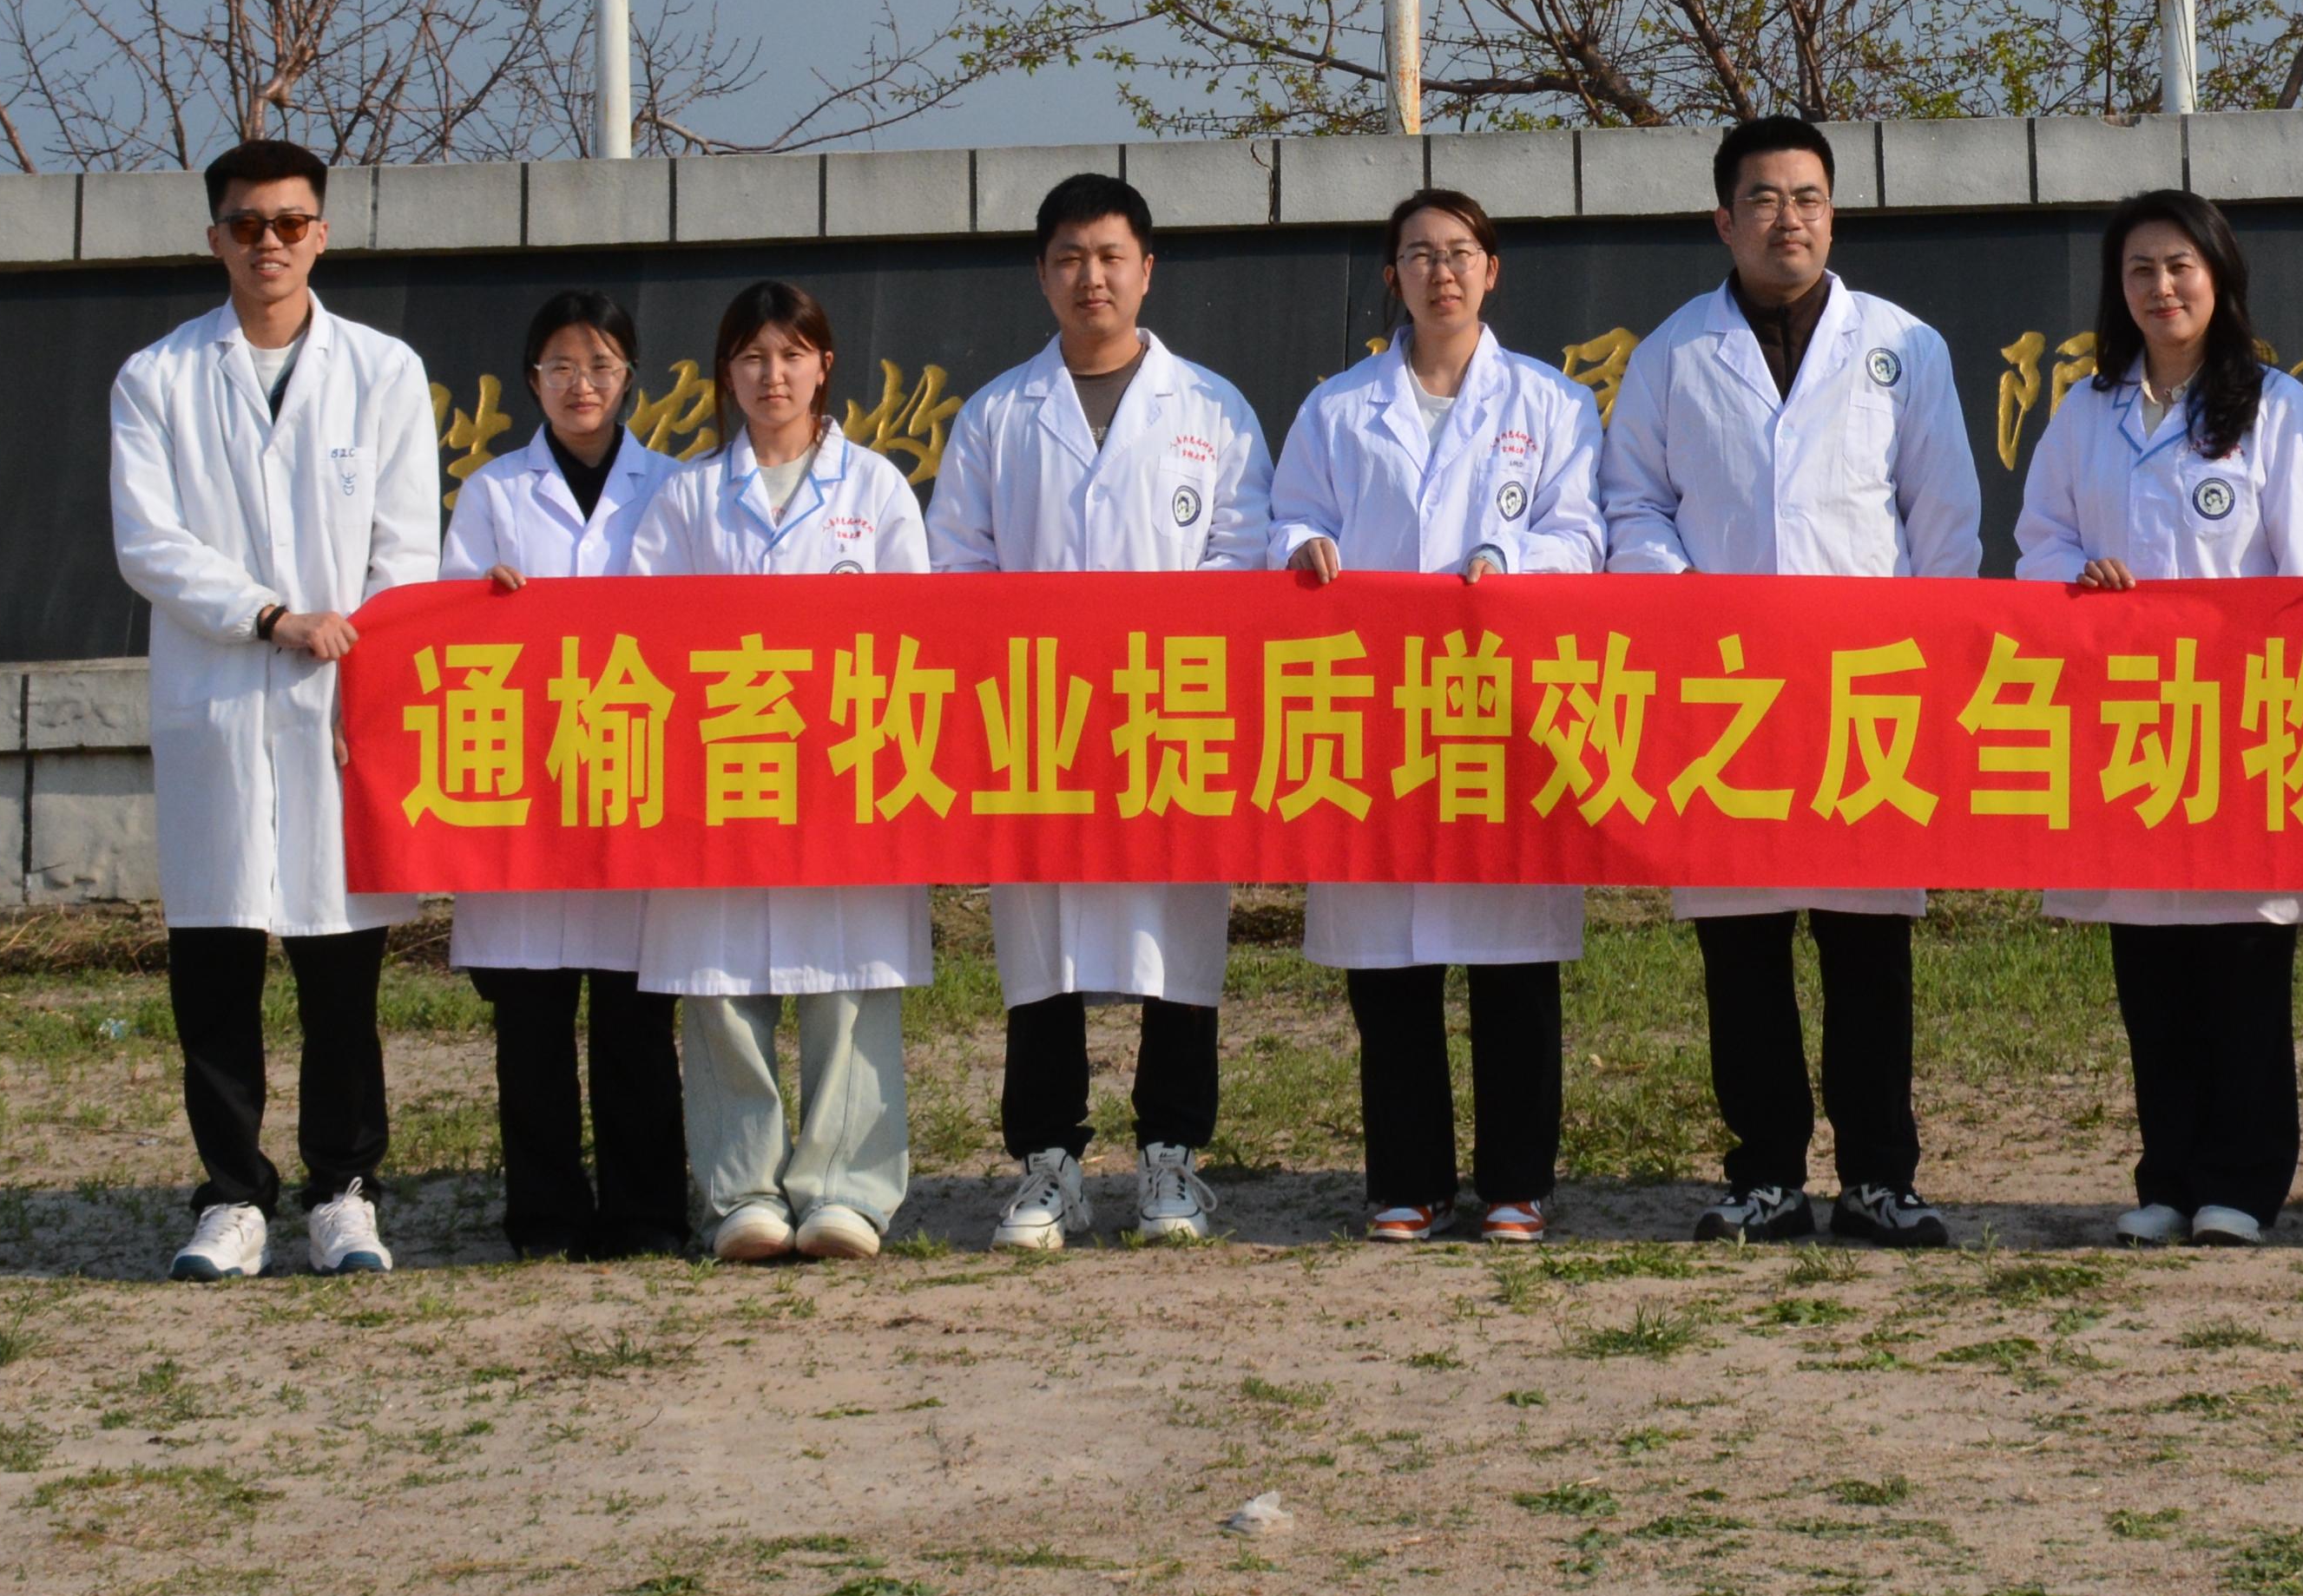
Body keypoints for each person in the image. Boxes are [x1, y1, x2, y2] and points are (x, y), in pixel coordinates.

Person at [1597, 115, 1981, 1249]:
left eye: (1807, 198)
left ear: (1834, 214)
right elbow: (1634, 504)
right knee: (1744, 946)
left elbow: (1944, 517)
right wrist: (1687, 604)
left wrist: (1928, 657)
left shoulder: (1903, 345)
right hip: (1728, 695)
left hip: (1869, 687)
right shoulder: (1673, 353)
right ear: (1725, 219)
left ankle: (1879, 1179)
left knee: (1869, 948)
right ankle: (1765, 1173)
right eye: (1763, 200)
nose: (1788, 219)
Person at [105, 136, 439, 1283]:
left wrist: (364, 664)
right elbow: (149, 543)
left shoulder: (381, 371)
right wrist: (268, 616)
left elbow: (406, 547)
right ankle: (232, 1194)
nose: (270, 244)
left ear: (322, 235)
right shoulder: (157, 378)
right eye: (247, 225)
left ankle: (345, 1190)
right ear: (216, 238)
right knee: (216, 963)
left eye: (291, 223)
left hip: (341, 706)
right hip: (218, 700)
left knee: (342, 966)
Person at [930, 174, 1274, 1251]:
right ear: (1042, 274)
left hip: (1173, 711)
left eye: (1112, 255)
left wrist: (1157, 652)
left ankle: (1172, 1155)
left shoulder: (1211, 408)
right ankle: (1050, 1161)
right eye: (1071, 258)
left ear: (1147, 270)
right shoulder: (997, 415)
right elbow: (957, 566)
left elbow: (1243, 553)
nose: (1093, 277)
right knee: (1041, 940)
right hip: (1036, 720)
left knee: (1179, 935)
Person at [1274, 188, 1611, 1244]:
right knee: (1391, 967)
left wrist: (1511, 558)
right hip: (1376, 710)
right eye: (1419, 255)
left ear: (1492, 269)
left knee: (1514, 964)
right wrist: (1301, 547)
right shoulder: (1339, 407)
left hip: (1502, 710)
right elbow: (1289, 514)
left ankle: (1519, 1181)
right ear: (1394, 278)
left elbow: (1583, 536)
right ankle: (1406, 1180)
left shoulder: (1554, 402)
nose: (1442, 272)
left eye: (1461, 252)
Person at [2020, 188, 2303, 1247]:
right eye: (2141, 269)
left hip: (2240, 721)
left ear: (2219, 276)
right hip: (2127, 721)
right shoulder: (2085, 410)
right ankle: (2167, 1173)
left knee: (2241, 960)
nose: (2162, 287)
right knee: (2150, 958)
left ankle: (2243, 1180)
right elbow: (2041, 540)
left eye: (2180, 266)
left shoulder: (2275, 404)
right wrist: (2081, 578)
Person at [625, 279, 936, 1264]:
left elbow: (917, 633)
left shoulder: (874, 489)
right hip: (722, 772)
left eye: (792, 355)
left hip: (848, 771)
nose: (774, 376)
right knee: (719, 981)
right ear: (727, 372)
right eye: (753, 357)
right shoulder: (685, 498)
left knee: (852, 976)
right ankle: (742, 1190)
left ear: (824, 365)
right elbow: (640, 635)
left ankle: (847, 1189)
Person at [435, 287, 689, 1261]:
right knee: (531, 1022)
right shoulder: (493, 493)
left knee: (636, 1019)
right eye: (561, 368)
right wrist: (482, 602)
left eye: (601, 367)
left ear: (631, 378)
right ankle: (543, 1215)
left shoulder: (674, 487)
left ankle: (646, 1212)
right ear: (530, 380)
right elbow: (449, 631)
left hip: (634, 778)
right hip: (527, 789)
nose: (582, 386)